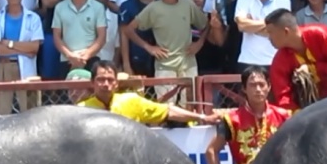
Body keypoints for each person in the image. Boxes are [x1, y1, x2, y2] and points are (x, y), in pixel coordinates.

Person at [203, 66, 292, 164]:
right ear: (244, 89)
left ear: (269, 87)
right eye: (252, 85)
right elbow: (211, 151)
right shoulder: (232, 119)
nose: (258, 90)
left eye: (262, 85)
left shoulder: (284, 116)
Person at [76, 60, 220, 125]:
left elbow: (167, 111)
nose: (105, 84)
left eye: (109, 80)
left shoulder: (131, 101)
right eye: (101, 80)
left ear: (116, 83)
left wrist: (202, 117)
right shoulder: (81, 110)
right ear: (92, 82)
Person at [264, 8, 327, 110]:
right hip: (305, 109)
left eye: (270, 33)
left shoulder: (321, 34)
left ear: (286, 31)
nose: (269, 38)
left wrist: (311, 70)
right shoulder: (280, 59)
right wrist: (297, 115)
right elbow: (283, 96)